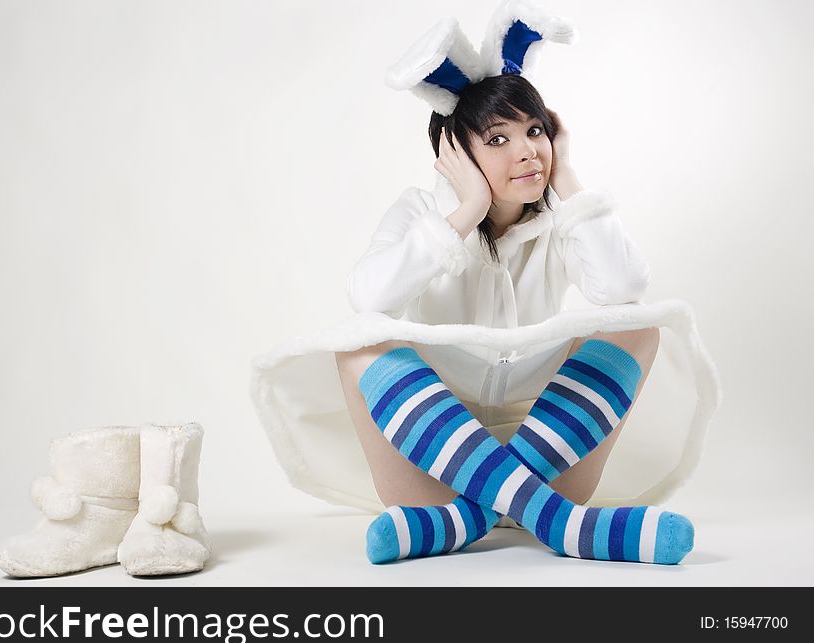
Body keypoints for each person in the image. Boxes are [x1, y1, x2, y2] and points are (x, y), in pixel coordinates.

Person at [249, 0, 721, 566]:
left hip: (551, 452)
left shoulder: (560, 221)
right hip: (431, 456)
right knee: (359, 342)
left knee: (638, 324)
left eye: (536, 131)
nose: (527, 151)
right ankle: (558, 525)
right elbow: (367, 299)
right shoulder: (422, 213)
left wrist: (568, 176)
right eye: (497, 139)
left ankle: (475, 521)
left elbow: (623, 286)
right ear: (455, 152)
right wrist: (468, 210)